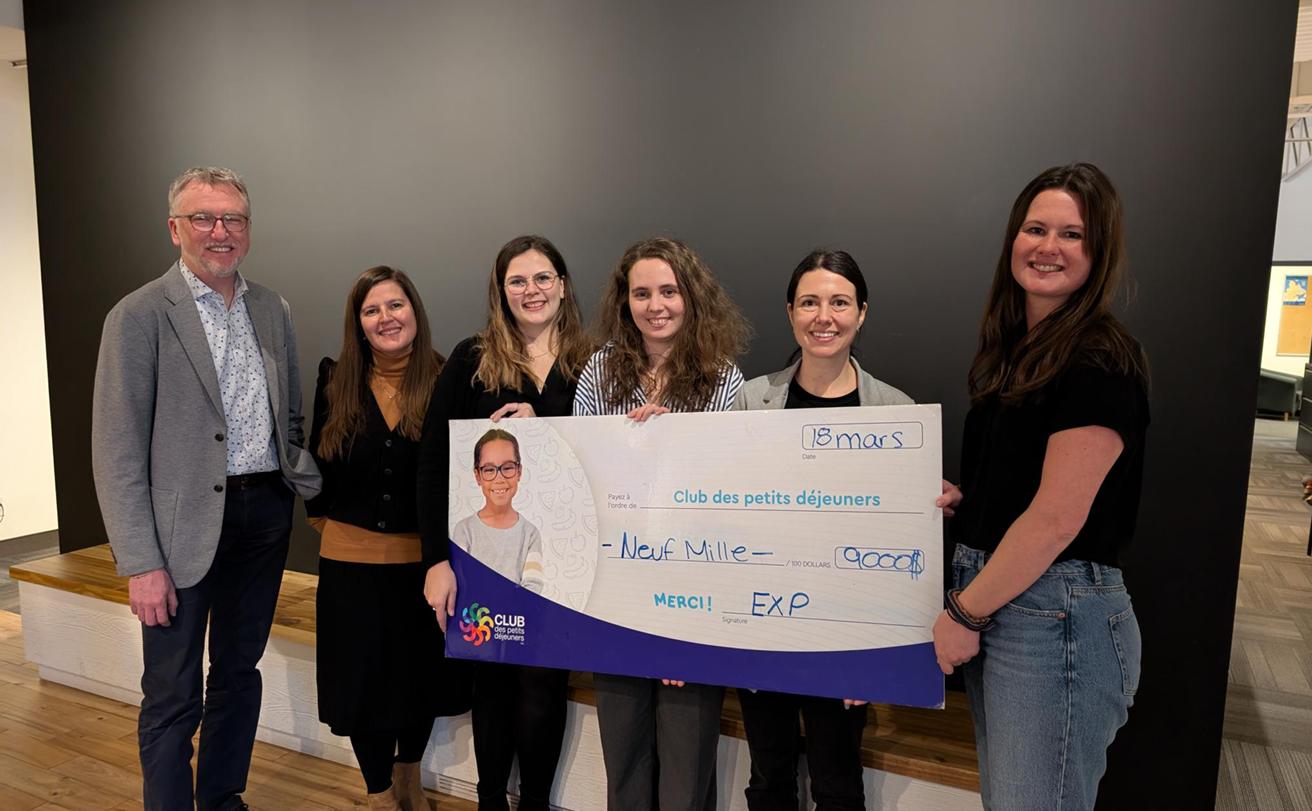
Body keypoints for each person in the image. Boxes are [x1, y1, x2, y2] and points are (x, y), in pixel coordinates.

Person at [91, 166, 322, 811]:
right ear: (175, 228)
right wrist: (140, 563)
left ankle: (222, 799)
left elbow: (290, 418)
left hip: (262, 519)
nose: (220, 232)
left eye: (234, 220)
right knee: (171, 694)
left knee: (237, 676)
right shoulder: (137, 317)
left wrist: (308, 483)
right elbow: (116, 452)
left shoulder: (271, 309)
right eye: (204, 218)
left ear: (248, 229)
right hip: (178, 535)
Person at [934, 163, 1149, 811]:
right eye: (1035, 228)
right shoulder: (1018, 350)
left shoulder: (1099, 358)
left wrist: (964, 611)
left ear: (1100, 250)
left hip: (1053, 616)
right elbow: (1027, 492)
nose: (1047, 246)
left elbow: (1057, 519)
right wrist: (967, 501)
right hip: (1015, 602)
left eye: (1072, 234)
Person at [573, 236, 752, 811]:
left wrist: (675, 445)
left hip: (693, 597)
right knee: (623, 760)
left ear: (691, 297)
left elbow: (729, 495)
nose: (657, 305)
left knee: (685, 763)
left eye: (669, 291)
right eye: (642, 292)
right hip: (616, 595)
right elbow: (584, 478)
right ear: (624, 302)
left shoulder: (725, 380)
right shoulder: (597, 373)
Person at [417, 234, 593, 811]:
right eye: (517, 280)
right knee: (491, 680)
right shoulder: (471, 358)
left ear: (563, 286)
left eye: (543, 277)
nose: (532, 290)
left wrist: (543, 423)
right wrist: (436, 559)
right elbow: (433, 464)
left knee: (545, 683)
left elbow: (607, 457)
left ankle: (535, 803)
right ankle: (490, 799)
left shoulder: (596, 362)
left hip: (563, 561)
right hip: (484, 554)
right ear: (501, 292)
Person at [731, 249, 911, 811]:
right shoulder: (749, 402)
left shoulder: (896, 412)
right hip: (764, 625)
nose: (823, 316)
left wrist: (876, 656)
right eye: (809, 302)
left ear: (861, 313)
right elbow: (718, 512)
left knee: (837, 782)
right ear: (791, 313)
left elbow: (901, 546)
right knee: (769, 779)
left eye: (839, 302)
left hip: (848, 635)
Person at [305, 266, 462, 810]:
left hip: (423, 566)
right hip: (349, 566)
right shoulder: (335, 380)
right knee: (361, 687)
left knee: (419, 684)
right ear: (358, 323)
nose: (385, 318)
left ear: (414, 312)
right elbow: (314, 467)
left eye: (395, 306)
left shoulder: (449, 379)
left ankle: (410, 781)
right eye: (371, 310)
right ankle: (377, 794)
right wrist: (326, 523)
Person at [451, 429, 545, 593]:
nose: (499, 478)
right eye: (489, 469)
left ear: (519, 472)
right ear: (477, 476)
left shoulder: (530, 533)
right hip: (475, 616)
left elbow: (533, 587)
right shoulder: (464, 530)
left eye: (507, 468)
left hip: (516, 617)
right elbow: (460, 582)